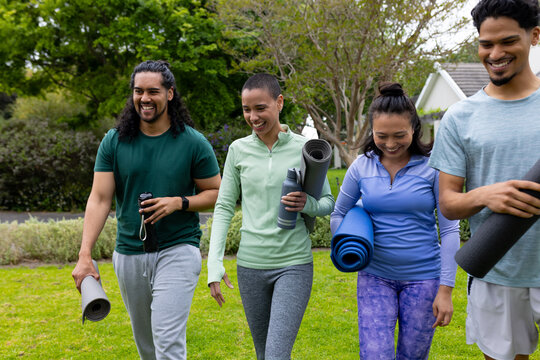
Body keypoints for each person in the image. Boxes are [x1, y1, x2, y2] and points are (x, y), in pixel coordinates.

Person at [71, 60, 221, 360]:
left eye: (153, 91)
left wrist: (179, 202)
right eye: (138, 91)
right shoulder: (114, 142)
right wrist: (84, 254)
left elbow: (217, 193)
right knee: (147, 346)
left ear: (169, 94)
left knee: (167, 340)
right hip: (129, 254)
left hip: (177, 249)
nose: (145, 98)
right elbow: (99, 199)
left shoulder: (193, 143)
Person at [429, 0, 540, 358]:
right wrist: (486, 195)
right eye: (486, 44)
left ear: (534, 36)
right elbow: (447, 203)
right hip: (496, 268)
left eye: (508, 42)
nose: (495, 53)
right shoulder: (460, 117)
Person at [207, 73, 334, 359]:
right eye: (246, 109)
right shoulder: (238, 150)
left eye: (260, 108)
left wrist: (307, 204)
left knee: (276, 355)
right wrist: (214, 262)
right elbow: (225, 206)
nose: (253, 116)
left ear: (279, 103)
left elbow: (328, 202)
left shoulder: (305, 148)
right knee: (264, 354)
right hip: (250, 266)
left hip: (293, 264)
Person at [330, 82, 461, 359]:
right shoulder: (361, 166)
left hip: (424, 279)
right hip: (375, 278)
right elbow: (339, 212)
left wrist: (446, 289)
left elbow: (450, 230)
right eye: (381, 135)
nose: (390, 144)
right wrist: (346, 247)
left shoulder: (433, 167)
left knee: (413, 356)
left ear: (414, 128)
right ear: (371, 131)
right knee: (375, 354)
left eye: (399, 135)